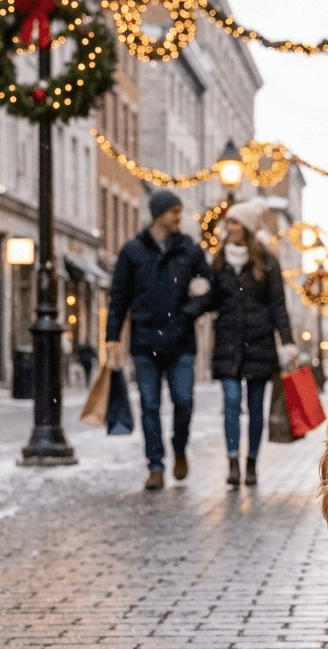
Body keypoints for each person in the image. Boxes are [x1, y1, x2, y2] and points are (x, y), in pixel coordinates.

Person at [105, 189, 212, 491]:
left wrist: (188, 312)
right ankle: (155, 465)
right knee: (149, 406)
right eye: (174, 211)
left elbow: (209, 290)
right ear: (159, 214)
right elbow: (118, 298)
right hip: (144, 340)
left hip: (181, 341)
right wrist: (112, 337)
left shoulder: (189, 250)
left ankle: (179, 448)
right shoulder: (132, 251)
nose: (180, 216)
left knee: (184, 401)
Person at [194, 199, 297, 488]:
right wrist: (199, 293)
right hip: (227, 342)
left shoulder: (266, 262)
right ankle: (233, 462)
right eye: (229, 223)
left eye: (236, 223)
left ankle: (251, 463)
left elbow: (278, 305)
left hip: (259, 344)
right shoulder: (219, 261)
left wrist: (287, 342)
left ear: (248, 227)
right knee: (230, 402)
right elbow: (212, 301)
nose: (231, 227)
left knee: (255, 408)